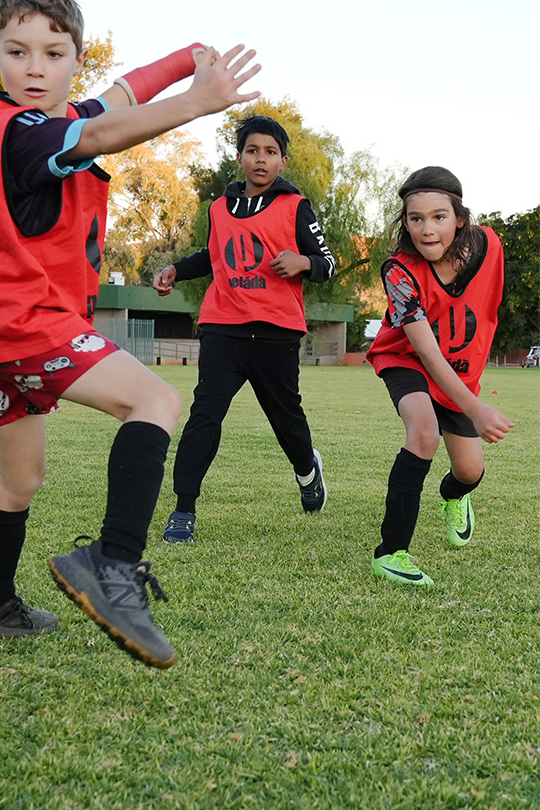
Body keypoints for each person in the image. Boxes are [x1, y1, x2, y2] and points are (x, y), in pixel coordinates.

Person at [0, 0, 260, 668]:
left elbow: (122, 93)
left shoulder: (48, 118)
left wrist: (186, 57)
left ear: (75, 57)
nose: (34, 68)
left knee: (20, 481)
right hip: (22, 323)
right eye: (16, 51)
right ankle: (113, 565)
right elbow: (109, 130)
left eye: (53, 53)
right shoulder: (24, 133)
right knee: (157, 398)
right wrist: (198, 101)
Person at [152, 114, 336, 544]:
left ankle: (307, 470)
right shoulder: (219, 208)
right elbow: (211, 256)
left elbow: (326, 263)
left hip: (276, 332)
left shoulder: (296, 206)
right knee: (205, 415)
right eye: (253, 150)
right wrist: (175, 269)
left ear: (282, 161)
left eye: (270, 152)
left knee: (285, 419)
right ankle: (183, 509)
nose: (261, 159)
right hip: (224, 327)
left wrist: (302, 262)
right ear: (239, 157)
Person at [366, 166, 513, 585]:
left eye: (439, 217)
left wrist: (470, 385)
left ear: (460, 219)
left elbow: (486, 310)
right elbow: (426, 350)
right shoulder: (398, 270)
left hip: (460, 373)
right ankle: (391, 552)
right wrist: (477, 409)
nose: (427, 229)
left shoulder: (490, 247)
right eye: (416, 219)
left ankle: (453, 497)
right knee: (424, 433)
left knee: (470, 472)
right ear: (405, 221)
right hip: (407, 358)